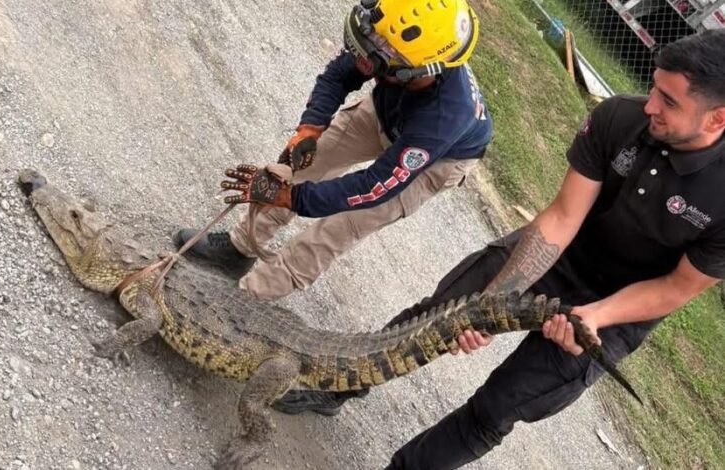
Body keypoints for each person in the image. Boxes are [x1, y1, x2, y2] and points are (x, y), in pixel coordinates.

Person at [279, 30, 725, 469]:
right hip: (560, 253)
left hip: (621, 308)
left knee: (498, 408)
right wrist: (491, 306)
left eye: (669, 101)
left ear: (716, 119)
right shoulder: (620, 118)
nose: (650, 105)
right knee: (436, 314)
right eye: (654, 88)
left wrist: (595, 317)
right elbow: (561, 219)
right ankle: (333, 387)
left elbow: (674, 289)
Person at [174, 0, 493, 300]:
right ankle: (238, 249)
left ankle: (242, 300)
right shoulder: (390, 42)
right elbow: (338, 76)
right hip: (387, 110)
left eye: (383, 52)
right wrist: (310, 128)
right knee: (299, 167)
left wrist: (293, 199)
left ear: (417, 71)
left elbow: (374, 186)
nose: (372, 51)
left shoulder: (445, 117)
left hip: (438, 160)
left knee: (344, 224)